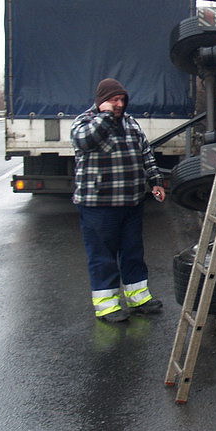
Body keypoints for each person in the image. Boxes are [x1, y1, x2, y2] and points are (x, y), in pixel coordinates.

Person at [71, 77, 166, 323]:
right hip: (98, 205)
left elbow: (146, 154)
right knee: (102, 256)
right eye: (114, 100)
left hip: (132, 203)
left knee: (133, 252)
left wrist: (155, 182)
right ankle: (107, 306)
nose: (119, 104)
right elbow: (85, 141)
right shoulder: (85, 122)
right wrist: (105, 116)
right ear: (102, 101)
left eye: (122, 99)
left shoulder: (131, 124)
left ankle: (138, 298)